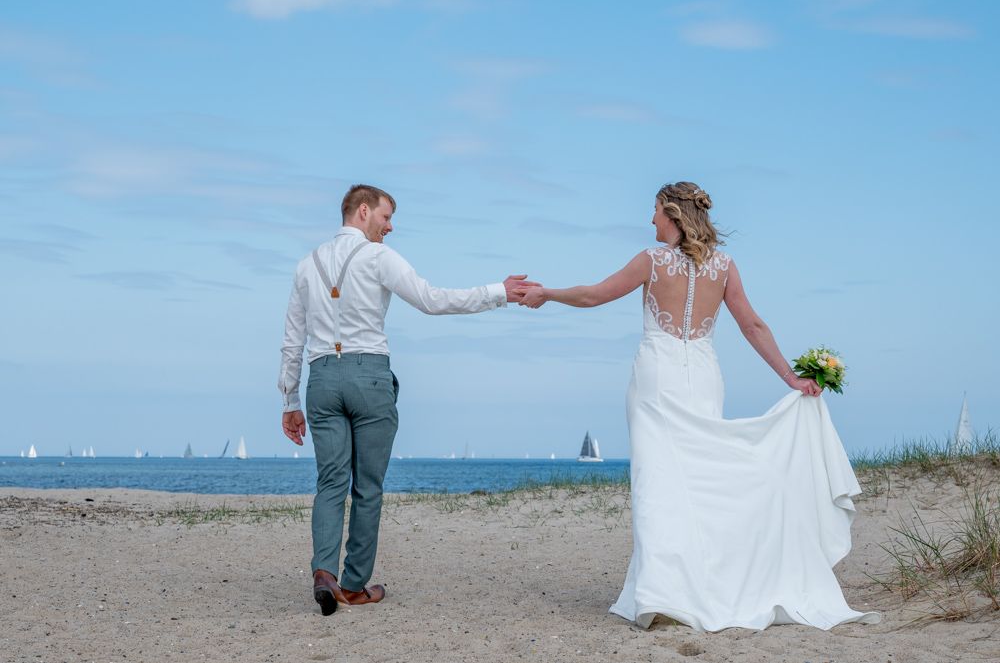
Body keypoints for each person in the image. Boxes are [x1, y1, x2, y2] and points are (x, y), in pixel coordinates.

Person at [518, 182, 880, 631]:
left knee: (659, 483)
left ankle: (665, 595)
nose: (650, 220)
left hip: (658, 377)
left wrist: (547, 293)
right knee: (703, 479)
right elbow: (752, 324)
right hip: (705, 376)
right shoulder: (724, 266)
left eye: (654, 211)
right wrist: (790, 377)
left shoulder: (650, 261)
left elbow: (595, 295)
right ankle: (701, 587)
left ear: (671, 213)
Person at [279, 183, 537, 616]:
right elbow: (432, 301)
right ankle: (355, 585)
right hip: (369, 377)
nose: (390, 226)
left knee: (330, 482)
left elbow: (292, 340)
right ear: (363, 211)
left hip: (321, 378)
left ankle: (324, 572)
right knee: (368, 487)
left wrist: (289, 400)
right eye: (386, 216)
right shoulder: (379, 257)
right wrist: (498, 292)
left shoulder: (307, 265)